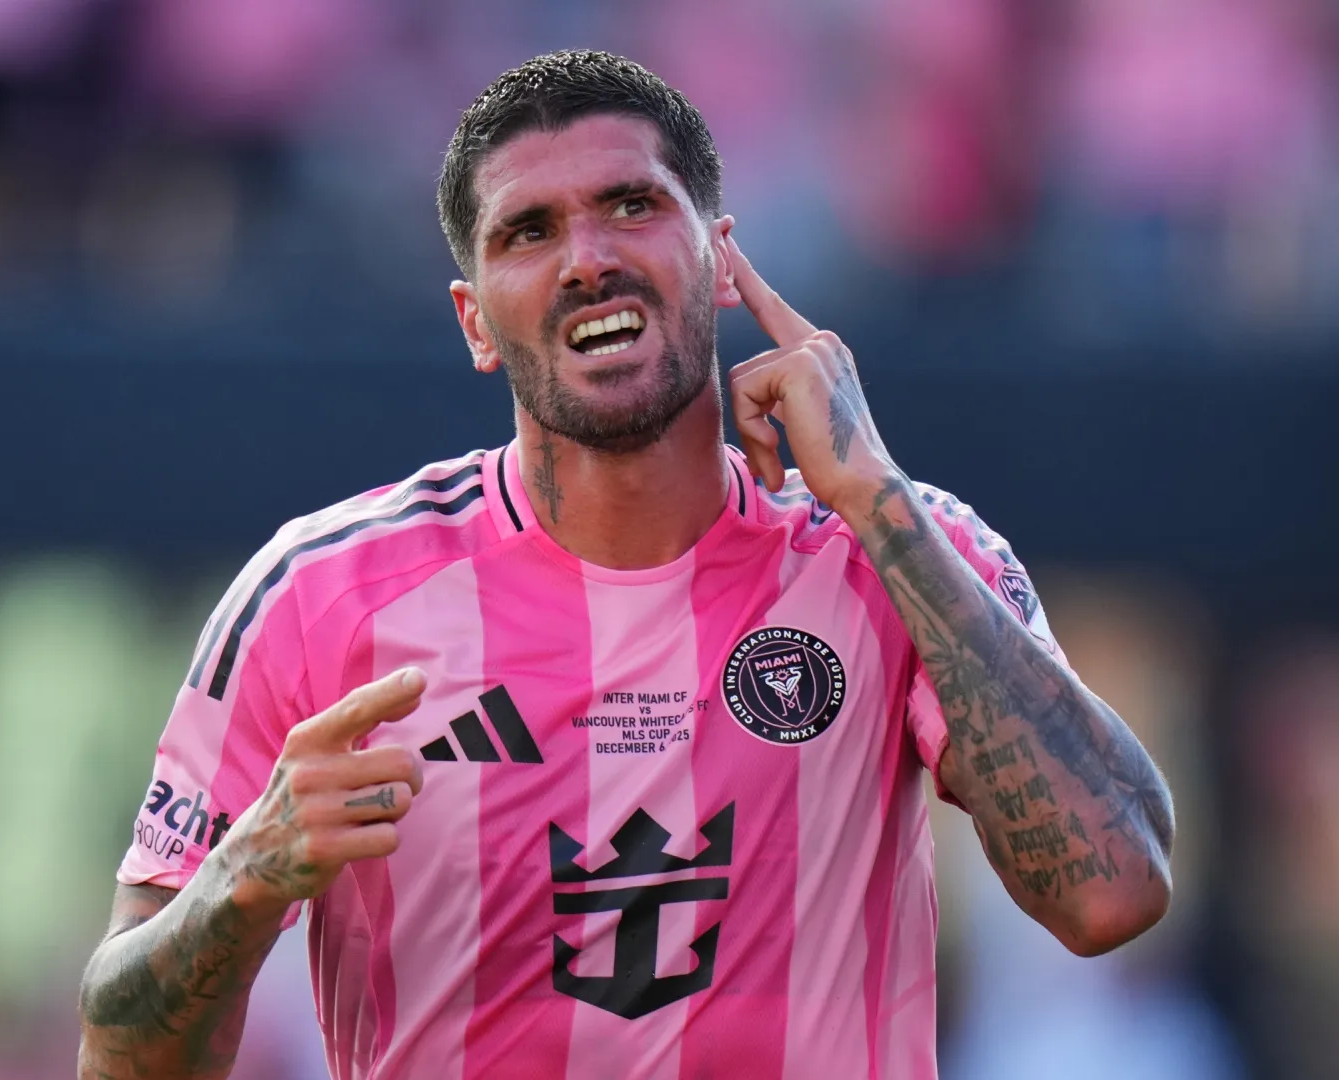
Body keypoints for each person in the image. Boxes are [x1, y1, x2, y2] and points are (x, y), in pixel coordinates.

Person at [77, 49, 1175, 1080]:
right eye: (529, 232)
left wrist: (874, 501)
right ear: (474, 321)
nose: (588, 258)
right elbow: (119, 1061)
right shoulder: (319, 595)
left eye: (633, 206)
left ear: (722, 258)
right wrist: (241, 877)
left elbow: (1114, 893)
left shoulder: (892, 550)